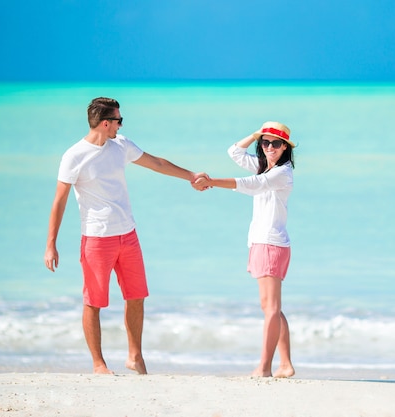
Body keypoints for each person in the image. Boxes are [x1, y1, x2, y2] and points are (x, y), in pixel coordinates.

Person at [44, 97, 208, 375]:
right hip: (97, 239)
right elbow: (59, 200)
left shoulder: (121, 145)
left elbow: (156, 163)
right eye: (119, 120)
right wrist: (51, 244)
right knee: (94, 302)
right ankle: (98, 364)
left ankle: (135, 357)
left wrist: (191, 175)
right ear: (106, 123)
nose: (121, 125)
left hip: (128, 235)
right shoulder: (74, 156)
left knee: (136, 296)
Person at [195, 121, 296, 378]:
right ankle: (285, 364)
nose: (270, 147)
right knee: (272, 307)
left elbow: (252, 185)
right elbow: (234, 152)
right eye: (266, 142)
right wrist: (255, 134)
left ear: (285, 147)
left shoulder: (282, 173)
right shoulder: (265, 165)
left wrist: (212, 181)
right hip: (262, 242)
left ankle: (264, 367)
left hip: (271, 243)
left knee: (271, 308)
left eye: (275, 143)